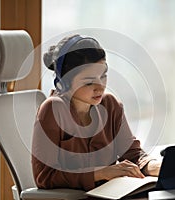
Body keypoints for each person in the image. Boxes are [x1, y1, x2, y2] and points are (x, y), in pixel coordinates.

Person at [31, 34, 161, 191]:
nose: (101, 86)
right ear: (64, 81)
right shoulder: (52, 109)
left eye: (103, 76)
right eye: (89, 82)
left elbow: (133, 155)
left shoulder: (110, 105)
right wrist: (101, 173)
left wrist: (158, 167)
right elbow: (45, 177)